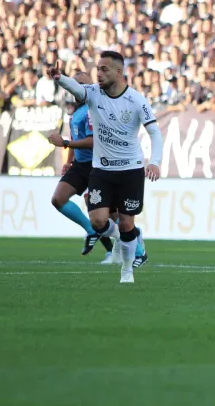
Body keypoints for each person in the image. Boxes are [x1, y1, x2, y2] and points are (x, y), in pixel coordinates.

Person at [51, 51, 164, 284]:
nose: (99, 74)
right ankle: (121, 245)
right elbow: (76, 88)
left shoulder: (136, 100)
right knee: (98, 221)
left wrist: (155, 161)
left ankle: (126, 270)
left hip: (131, 170)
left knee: (126, 223)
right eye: (98, 69)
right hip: (101, 170)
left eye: (104, 69)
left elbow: (154, 131)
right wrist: (59, 77)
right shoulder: (93, 94)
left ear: (119, 72)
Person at [47, 73, 148, 266]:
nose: (77, 89)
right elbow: (76, 134)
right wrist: (69, 159)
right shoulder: (76, 111)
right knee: (58, 199)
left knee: (108, 215)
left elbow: (94, 141)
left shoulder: (93, 108)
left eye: (81, 85)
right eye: (74, 85)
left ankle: (136, 248)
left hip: (97, 165)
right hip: (80, 165)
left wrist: (66, 143)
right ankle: (94, 232)